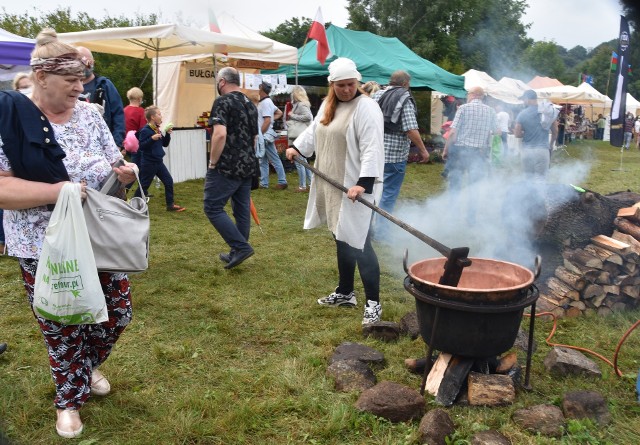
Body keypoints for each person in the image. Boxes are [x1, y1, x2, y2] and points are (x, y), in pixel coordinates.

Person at [0, 28, 138, 438]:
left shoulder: (91, 115)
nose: (81, 87)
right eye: (71, 80)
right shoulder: (9, 116)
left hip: (99, 237)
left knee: (118, 313)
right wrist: (58, 191)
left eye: (83, 78)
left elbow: (114, 162)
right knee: (62, 324)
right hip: (42, 242)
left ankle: (83, 367)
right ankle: (68, 402)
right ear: (41, 77)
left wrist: (126, 174)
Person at [285, 57, 385, 325]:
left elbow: (372, 147)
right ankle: (345, 292)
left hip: (354, 187)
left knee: (359, 243)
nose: (346, 89)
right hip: (331, 183)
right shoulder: (329, 105)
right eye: (341, 85)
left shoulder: (366, 107)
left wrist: (363, 183)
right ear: (332, 85)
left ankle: (374, 304)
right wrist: (298, 147)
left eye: (351, 84)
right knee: (340, 237)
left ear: (358, 82)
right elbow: (315, 131)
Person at [205, 67, 258, 269]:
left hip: (227, 164)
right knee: (242, 210)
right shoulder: (250, 104)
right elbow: (254, 138)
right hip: (247, 163)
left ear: (222, 82)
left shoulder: (222, 101)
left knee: (212, 207)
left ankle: (241, 247)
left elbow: (219, 134)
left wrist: (212, 163)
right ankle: (237, 251)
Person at [371, 70, 429, 239]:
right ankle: (381, 234)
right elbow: (410, 129)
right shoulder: (405, 98)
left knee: (371, 193)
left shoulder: (377, 95)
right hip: (394, 156)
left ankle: (366, 230)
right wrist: (424, 151)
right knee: (387, 196)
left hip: (374, 153)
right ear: (405, 83)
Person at [442, 86, 497, 222]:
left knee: (455, 184)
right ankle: (471, 218)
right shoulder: (491, 111)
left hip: (461, 151)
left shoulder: (463, 108)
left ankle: (452, 216)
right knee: (474, 186)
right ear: (481, 96)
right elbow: (497, 132)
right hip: (479, 153)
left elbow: (453, 132)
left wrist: (446, 149)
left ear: (473, 95)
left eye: (468, 93)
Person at [134, 106, 186, 212]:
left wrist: (167, 134)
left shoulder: (156, 129)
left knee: (168, 181)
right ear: (153, 117)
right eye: (159, 114)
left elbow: (165, 144)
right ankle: (134, 205)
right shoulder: (145, 130)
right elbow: (142, 146)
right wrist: (151, 139)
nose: (161, 116)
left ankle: (170, 205)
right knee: (144, 186)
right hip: (149, 163)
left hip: (158, 162)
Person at [76, 46, 126, 149]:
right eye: (80, 62)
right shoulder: (70, 87)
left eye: (87, 62)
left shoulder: (104, 85)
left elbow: (118, 114)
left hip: (104, 144)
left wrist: (117, 143)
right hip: (80, 146)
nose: (84, 66)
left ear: (93, 62)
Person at [514, 90, 558, 179]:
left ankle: (529, 193)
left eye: (523, 100)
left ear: (527, 99)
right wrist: (551, 145)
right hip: (542, 151)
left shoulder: (522, 114)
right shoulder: (547, 112)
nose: (523, 102)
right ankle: (540, 193)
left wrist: (526, 133)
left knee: (528, 179)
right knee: (540, 180)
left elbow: (517, 134)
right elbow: (555, 131)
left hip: (527, 151)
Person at [257, 81, 288, 189]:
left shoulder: (265, 103)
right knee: (264, 160)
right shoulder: (268, 101)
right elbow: (279, 112)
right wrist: (271, 120)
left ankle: (282, 181)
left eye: (259, 87)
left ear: (261, 89)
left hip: (265, 135)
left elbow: (267, 120)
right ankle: (264, 183)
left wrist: (260, 134)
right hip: (267, 133)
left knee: (273, 159)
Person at [287, 86, 314, 192]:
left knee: (299, 161)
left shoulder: (301, 105)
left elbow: (308, 117)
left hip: (298, 135)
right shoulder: (301, 104)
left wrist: (293, 116)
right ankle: (311, 183)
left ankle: (302, 186)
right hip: (300, 134)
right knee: (303, 161)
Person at [123, 87, 147, 168]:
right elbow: (142, 129)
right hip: (136, 143)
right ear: (139, 99)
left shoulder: (124, 110)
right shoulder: (141, 111)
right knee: (137, 167)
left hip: (125, 143)